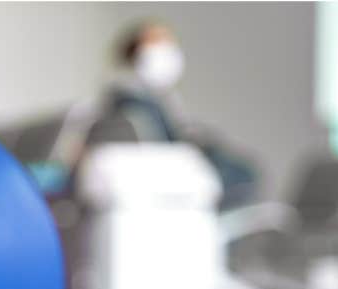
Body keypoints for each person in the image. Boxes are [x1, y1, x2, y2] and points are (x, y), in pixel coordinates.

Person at [94, 20, 258, 207]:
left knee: (241, 170)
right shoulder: (131, 101)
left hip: (180, 167)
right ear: (135, 52)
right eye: (157, 42)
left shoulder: (154, 98)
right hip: (172, 172)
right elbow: (161, 148)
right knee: (243, 175)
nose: (167, 50)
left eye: (169, 42)